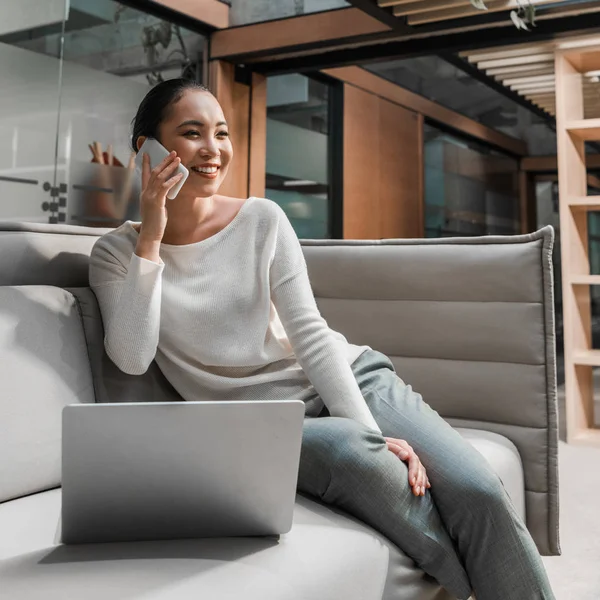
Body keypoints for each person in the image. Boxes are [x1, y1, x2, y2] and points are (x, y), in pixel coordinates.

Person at [89, 78, 555, 600]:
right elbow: (131, 358)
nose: (213, 149)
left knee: (476, 488)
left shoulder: (262, 218)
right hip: (258, 422)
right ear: (147, 149)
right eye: (192, 133)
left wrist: (372, 435)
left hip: (349, 376)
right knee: (351, 455)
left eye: (221, 133)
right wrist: (151, 236)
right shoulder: (116, 254)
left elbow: (311, 335)